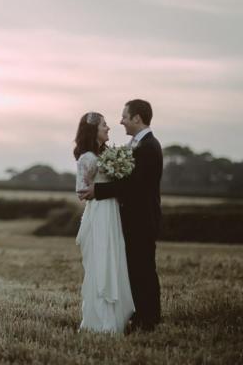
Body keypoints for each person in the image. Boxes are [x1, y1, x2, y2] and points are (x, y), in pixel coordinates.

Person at [79, 99, 162, 332]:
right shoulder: (138, 145)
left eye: (124, 116)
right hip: (129, 219)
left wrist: (99, 190)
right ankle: (141, 316)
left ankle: (149, 319)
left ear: (137, 118)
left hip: (142, 220)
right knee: (135, 270)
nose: (120, 121)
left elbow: (136, 186)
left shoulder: (148, 147)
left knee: (143, 270)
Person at [74, 111, 135, 333]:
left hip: (113, 213)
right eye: (104, 126)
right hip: (99, 213)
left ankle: (115, 318)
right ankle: (99, 321)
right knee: (101, 262)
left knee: (114, 259)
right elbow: (81, 191)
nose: (108, 129)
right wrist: (96, 189)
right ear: (93, 131)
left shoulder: (107, 154)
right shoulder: (87, 158)